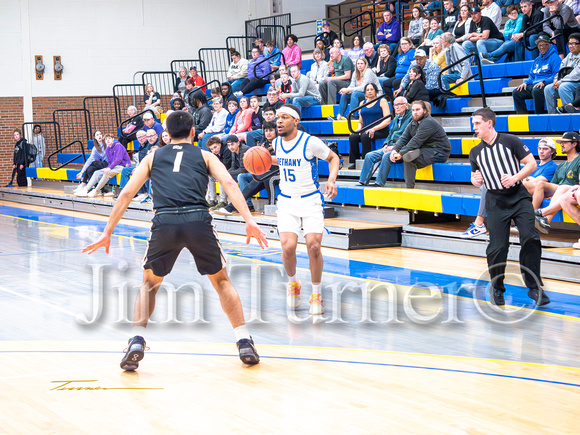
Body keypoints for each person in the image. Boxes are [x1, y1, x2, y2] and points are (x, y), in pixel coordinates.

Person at [82, 111, 267, 370]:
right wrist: (249, 220)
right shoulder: (205, 155)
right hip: (197, 220)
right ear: (193, 131)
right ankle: (244, 340)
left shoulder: (152, 156)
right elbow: (229, 184)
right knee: (221, 281)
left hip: (165, 221)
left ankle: (137, 339)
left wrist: (107, 232)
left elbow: (125, 193)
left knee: (149, 284)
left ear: (165, 133)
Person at [469, 107, 549, 306]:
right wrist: (476, 180)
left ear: (489, 123)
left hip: (519, 196)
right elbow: (474, 178)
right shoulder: (475, 151)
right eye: (473, 124)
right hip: (495, 201)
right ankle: (497, 288)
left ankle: (533, 287)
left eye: (477, 123)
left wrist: (515, 177)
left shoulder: (510, 141)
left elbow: (531, 164)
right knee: (498, 247)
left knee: (530, 236)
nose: (474, 127)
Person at [274, 104, 340, 315]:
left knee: (313, 246)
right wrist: (262, 161)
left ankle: (316, 294)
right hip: (286, 201)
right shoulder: (275, 143)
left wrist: (331, 181)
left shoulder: (310, 142)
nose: (279, 121)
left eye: (284, 117)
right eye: (277, 117)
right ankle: (293, 283)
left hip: (310, 200)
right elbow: (283, 162)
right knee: (288, 247)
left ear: (296, 121)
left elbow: (333, 158)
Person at [461, 137, 558, 239]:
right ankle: (488, 223)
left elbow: (536, 181)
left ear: (552, 151)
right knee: (490, 187)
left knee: (493, 186)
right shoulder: (536, 164)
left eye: (545, 149)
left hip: (534, 189)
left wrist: (520, 178)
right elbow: (520, 176)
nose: (541, 151)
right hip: (523, 187)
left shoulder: (551, 166)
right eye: (539, 148)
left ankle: (479, 222)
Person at [215, 121, 280, 215]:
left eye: (271, 130)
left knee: (265, 179)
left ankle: (270, 206)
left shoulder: (279, 143)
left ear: (276, 131)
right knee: (252, 179)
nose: (268, 133)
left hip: (278, 172)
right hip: (265, 172)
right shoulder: (262, 145)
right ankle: (238, 205)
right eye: (266, 131)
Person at [389, 100, 451, 189]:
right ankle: (409, 188)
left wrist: (400, 153)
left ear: (424, 111)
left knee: (408, 157)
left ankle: (409, 189)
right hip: (425, 150)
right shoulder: (413, 123)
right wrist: (394, 150)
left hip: (439, 151)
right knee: (408, 157)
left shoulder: (428, 122)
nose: (415, 112)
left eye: (418, 109)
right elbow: (403, 138)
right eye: (413, 110)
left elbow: (415, 141)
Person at [358, 96, 413, 186]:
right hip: (391, 146)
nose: (397, 107)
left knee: (387, 155)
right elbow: (390, 134)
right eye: (395, 105)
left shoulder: (411, 117)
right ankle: (363, 181)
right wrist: (385, 145)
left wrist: (394, 147)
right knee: (369, 156)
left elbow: (405, 136)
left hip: (402, 147)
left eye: (399, 104)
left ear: (406, 105)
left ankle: (379, 183)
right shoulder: (396, 118)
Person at [533, 132, 580, 233]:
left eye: (564, 142)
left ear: (574, 144)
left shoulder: (579, 160)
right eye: (561, 142)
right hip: (561, 191)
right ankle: (542, 220)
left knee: (562, 188)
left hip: (573, 191)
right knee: (543, 184)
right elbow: (554, 184)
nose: (561, 145)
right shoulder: (561, 166)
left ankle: (542, 218)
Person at [512, 33, 561, 114]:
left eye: (543, 45)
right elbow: (531, 76)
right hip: (535, 85)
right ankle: (523, 116)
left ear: (549, 45)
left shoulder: (555, 58)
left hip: (546, 85)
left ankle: (538, 115)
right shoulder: (537, 60)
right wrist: (525, 83)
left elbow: (556, 75)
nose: (541, 47)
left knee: (536, 90)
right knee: (516, 92)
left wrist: (544, 82)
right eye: (539, 45)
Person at [347, 83, 391, 168]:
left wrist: (374, 129)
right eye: (367, 90)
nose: (370, 91)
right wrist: (358, 129)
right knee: (353, 136)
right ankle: (354, 162)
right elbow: (361, 122)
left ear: (375, 91)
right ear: (365, 92)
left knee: (365, 136)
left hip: (381, 130)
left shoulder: (382, 101)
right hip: (367, 129)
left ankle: (366, 162)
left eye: (372, 89)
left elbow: (387, 120)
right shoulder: (362, 103)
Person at [544, 33, 580, 114]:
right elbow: (559, 71)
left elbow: (576, 75)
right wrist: (556, 81)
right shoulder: (568, 56)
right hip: (565, 82)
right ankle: (553, 116)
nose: (571, 46)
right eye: (569, 43)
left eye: (574, 43)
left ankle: (571, 115)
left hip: (577, 83)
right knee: (548, 89)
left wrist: (560, 82)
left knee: (564, 87)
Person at [74, 130, 110, 194]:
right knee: (90, 168)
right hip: (101, 164)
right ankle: (96, 188)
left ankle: (84, 183)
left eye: (100, 134)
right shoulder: (95, 148)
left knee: (93, 163)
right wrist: (82, 172)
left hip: (109, 163)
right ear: (95, 138)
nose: (99, 136)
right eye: (97, 135)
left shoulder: (107, 144)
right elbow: (90, 159)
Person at [206, 135, 232, 209]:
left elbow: (226, 166)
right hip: (224, 170)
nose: (214, 150)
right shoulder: (214, 153)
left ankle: (223, 201)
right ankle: (213, 199)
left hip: (231, 170)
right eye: (211, 149)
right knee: (210, 175)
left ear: (219, 143)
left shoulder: (226, 150)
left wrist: (217, 173)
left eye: (215, 147)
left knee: (220, 175)